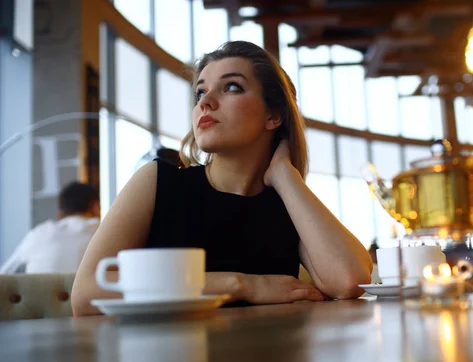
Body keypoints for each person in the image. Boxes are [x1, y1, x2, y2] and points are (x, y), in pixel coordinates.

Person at [71, 41, 372, 316]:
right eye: (201, 92)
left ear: (274, 116)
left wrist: (285, 175)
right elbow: (85, 295)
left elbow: (350, 280)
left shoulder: (286, 202)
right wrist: (240, 284)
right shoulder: (158, 181)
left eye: (231, 88)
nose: (206, 102)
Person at [0, 182, 100, 274]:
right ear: (95, 207)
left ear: (60, 213)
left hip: (36, 293)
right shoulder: (100, 231)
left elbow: (5, 273)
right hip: (86, 292)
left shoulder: (40, 232)